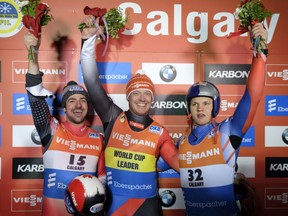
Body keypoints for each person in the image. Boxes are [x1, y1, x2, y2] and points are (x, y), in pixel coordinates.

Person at [79, 16, 179, 216]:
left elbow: (181, 165)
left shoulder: (160, 132)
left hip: (147, 207)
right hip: (115, 206)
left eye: (147, 94)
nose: (142, 98)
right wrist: (88, 42)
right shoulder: (113, 116)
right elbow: (91, 81)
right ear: (128, 97)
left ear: (152, 99)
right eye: (136, 93)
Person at [176, 22, 267, 216]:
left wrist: (260, 51)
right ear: (189, 109)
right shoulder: (181, 142)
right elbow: (152, 164)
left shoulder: (227, 131)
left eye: (206, 103)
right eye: (195, 104)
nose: (200, 108)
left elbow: (253, 97)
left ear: (215, 106)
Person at [24, 32, 106, 216]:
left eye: (82, 100)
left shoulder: (98, 139)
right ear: (65, 107)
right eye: (72, 101)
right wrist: (32, 54)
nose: (78, 105)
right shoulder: (51, 129)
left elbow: (102, 182)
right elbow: (35, 98)